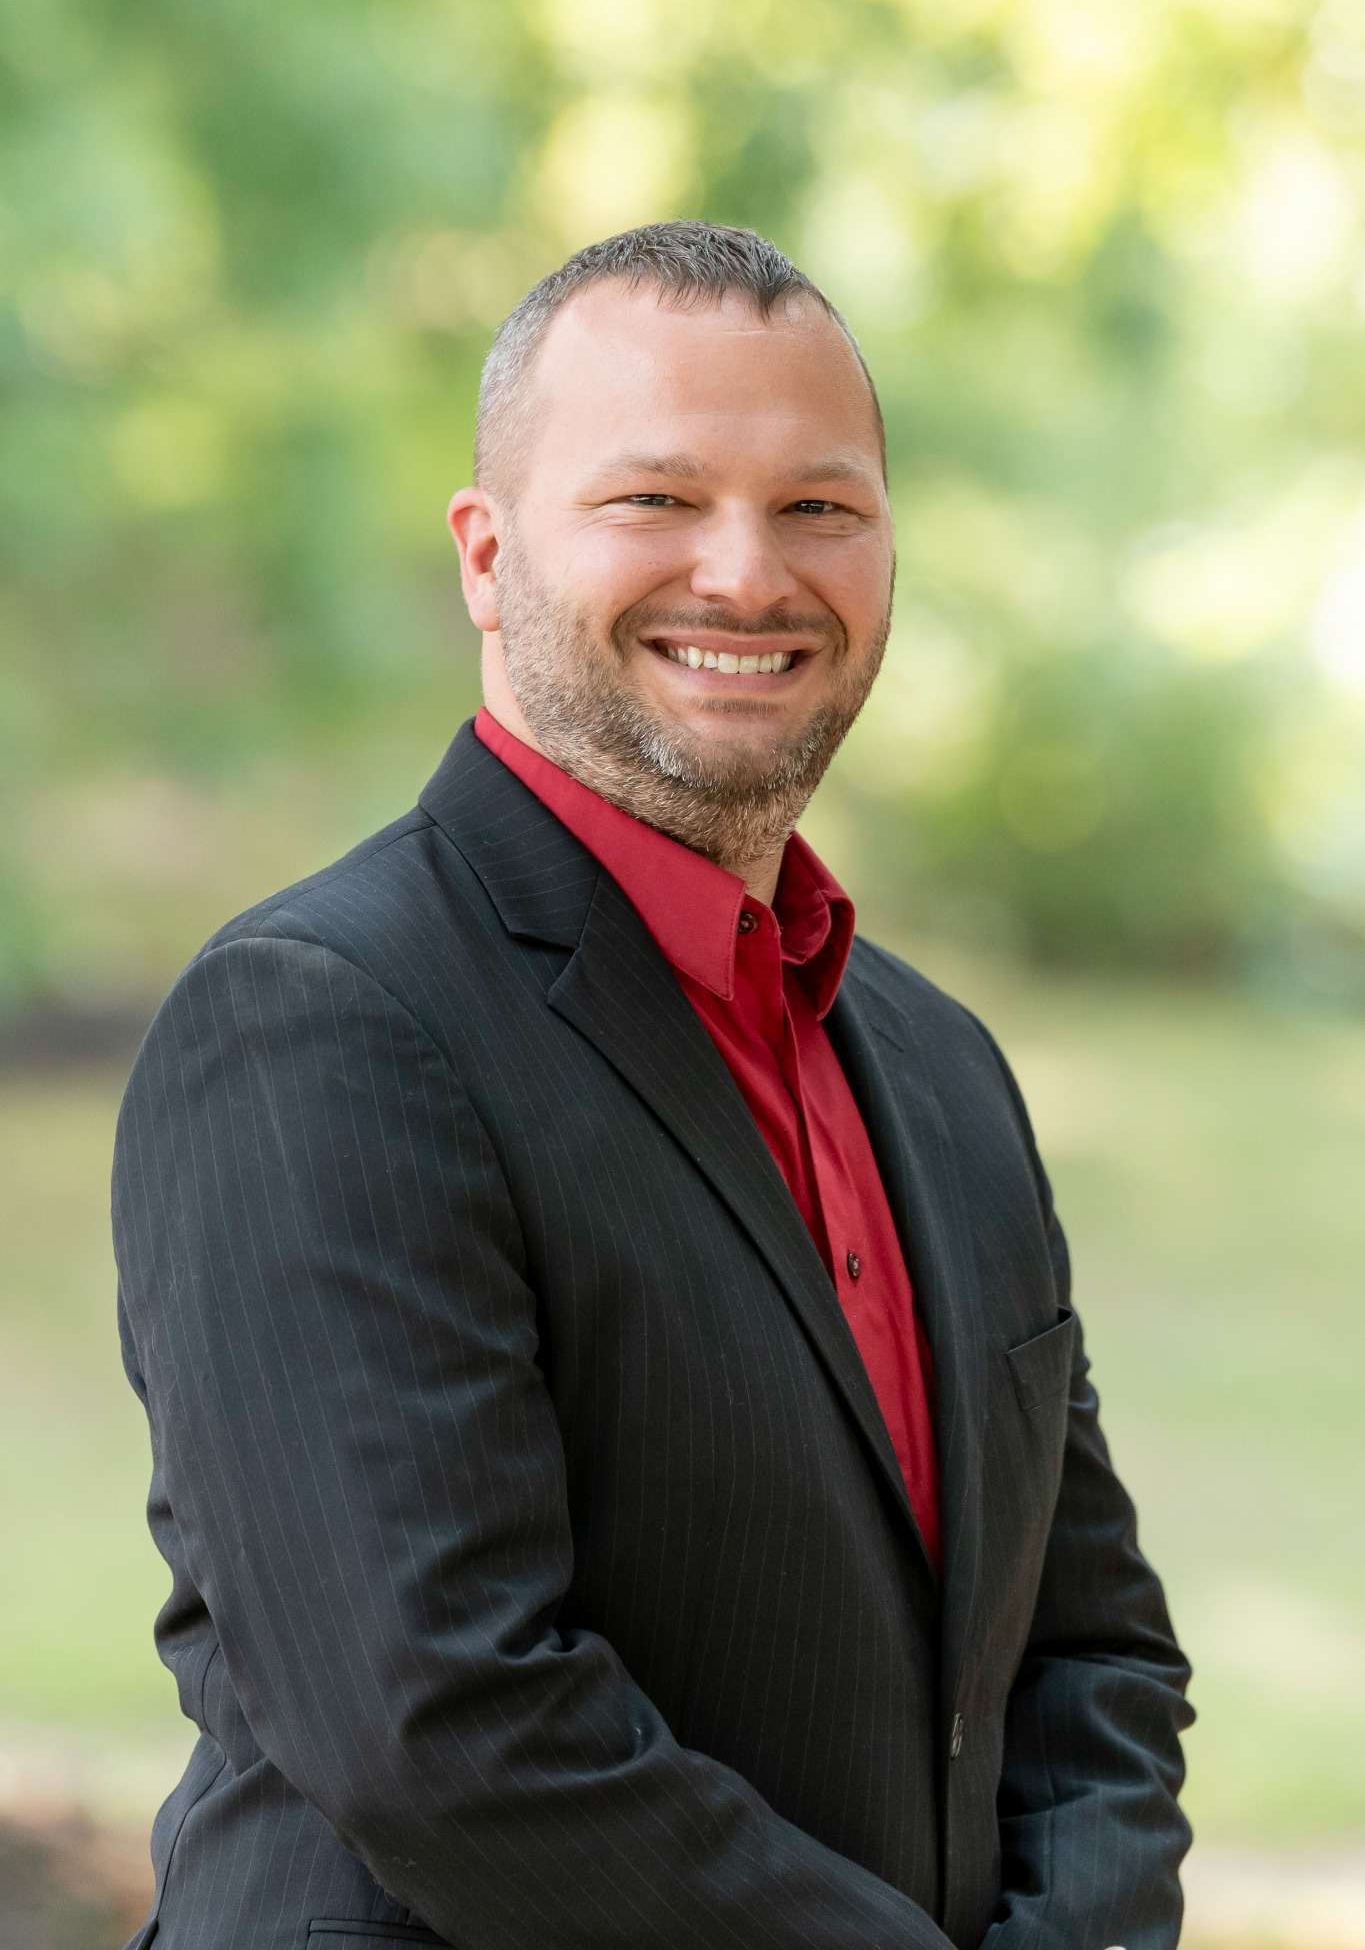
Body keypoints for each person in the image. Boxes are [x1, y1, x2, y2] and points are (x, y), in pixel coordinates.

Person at [111, 220, 1194, 1950]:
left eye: (819, 508)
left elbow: (1088, 1657)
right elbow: (444, 1726)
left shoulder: (936, 1064)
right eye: (653, 501)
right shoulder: (316, 1023)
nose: (749, 575)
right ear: (485, 553)